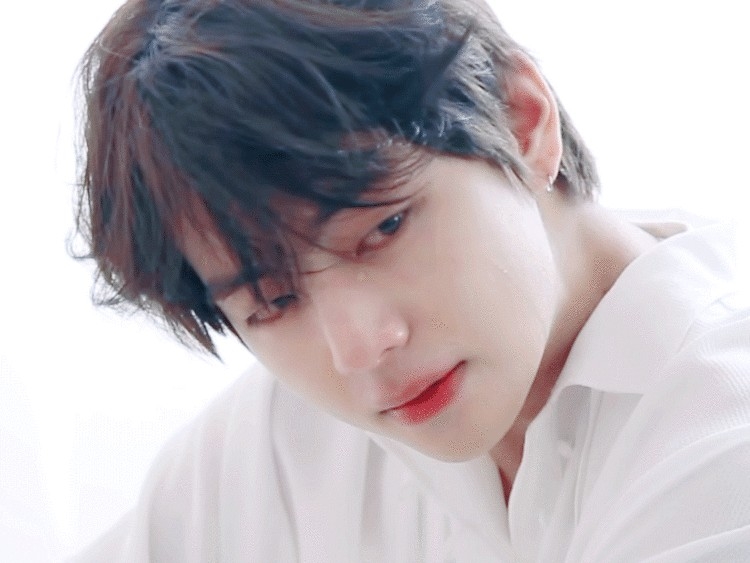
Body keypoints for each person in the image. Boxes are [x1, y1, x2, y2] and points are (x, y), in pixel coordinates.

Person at [72, 0, 750, 560]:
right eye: (273, 300)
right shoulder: (276, 444)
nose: (360, 347)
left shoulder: (724, 414)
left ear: (521, 122)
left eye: (385, 228)